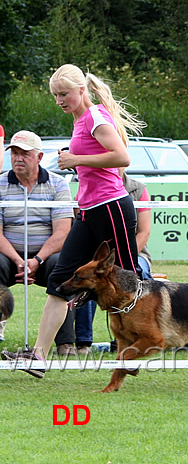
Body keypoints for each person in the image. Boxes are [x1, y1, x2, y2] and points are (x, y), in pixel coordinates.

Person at [1, 64, 145, 377]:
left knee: (129, 279)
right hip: (89, 210)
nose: (59, 100)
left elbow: (122, 157)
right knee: (60, 280)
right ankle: (38, 357)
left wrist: (77, 159)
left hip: (111, 206)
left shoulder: (94, 117)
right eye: (55, 95)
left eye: (63, 94)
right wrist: (77, 163)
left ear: (81, 91)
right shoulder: (81, 120)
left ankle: (140, 346)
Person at [54, 171, 153, 354]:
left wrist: (120, 263)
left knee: (139, 276)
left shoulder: (137, 188)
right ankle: (83, 341)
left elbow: (143, 233)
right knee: (89, 283)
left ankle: (139, 335)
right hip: (101, 259)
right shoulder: (87, 187)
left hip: (134, 253)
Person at [0, 131, 73, 342]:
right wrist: (18, 260)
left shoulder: (58, 184)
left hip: (46, 257)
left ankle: (65, 343)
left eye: (25, 153)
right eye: (14, 153)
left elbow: (62, 232)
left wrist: (37, 260)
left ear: (39, 157)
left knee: (64, 268)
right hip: (9, 256)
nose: (18, 158)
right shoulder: (0, 183)